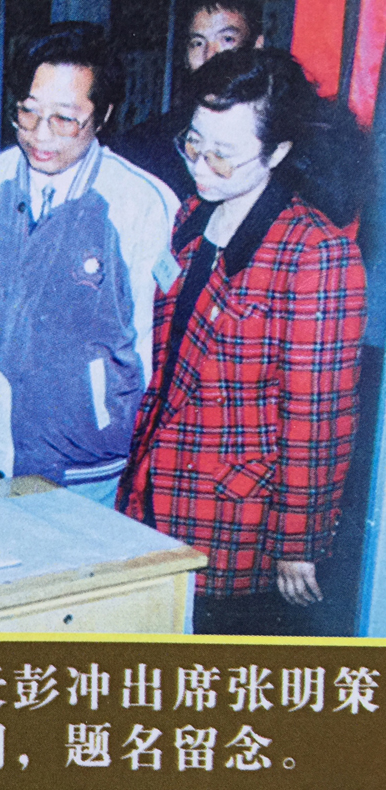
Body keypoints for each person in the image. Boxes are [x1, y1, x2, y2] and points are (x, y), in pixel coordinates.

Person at [117, 49, 367, 636]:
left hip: (236, 511)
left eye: (224, 154)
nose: (201, 165)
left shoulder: (316, 253)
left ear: (277, 153)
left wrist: (299, 541)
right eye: (193, 142)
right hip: (155, 485)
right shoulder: (191, 217)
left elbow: (317, 415)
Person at [0, 24, 179, 507]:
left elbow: (152, 346)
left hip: (89, 474)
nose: (40, 134)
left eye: (65, 119)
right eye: (27, 111)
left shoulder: (142, 203)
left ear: (104, 114)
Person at [113, 1, 264, 200]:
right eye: (198, 43)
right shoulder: (145, 145)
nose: (210, 55)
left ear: (257, 46)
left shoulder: (271, 141)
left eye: (227, 39)